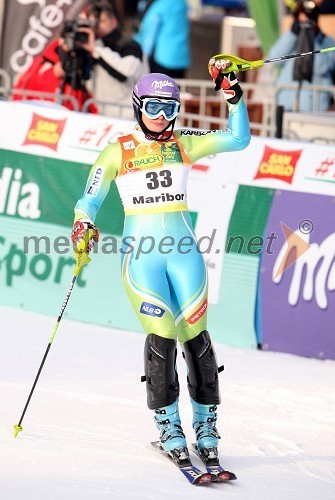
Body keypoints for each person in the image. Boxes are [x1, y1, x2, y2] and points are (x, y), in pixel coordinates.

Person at [71, 59, 250, 464]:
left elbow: (238, 140)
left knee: (197, 338)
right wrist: (83, 224)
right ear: (137, 107)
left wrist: (232, 94)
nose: (162, 117)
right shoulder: (118, 150)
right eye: (153, 108)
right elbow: (89, 198)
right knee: (163, 336)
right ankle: (168, 424)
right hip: (142, 260)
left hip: (185, 256)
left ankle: (206, 425)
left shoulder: (183, 141)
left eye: (170, 109)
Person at [11, 20, 98, 113]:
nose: (79, 41)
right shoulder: (44, 63)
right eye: (76, 37)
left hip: (73, 121)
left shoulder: (87, 63)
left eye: (83, 37)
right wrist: (56, 72)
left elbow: (94, 108)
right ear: (62, 40)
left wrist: (93, 49)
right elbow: (21, 95)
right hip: (42, 119)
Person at [269, 0, 335, 112]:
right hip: (286, 105)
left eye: (310, 19)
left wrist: (311, 39)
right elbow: (274, 59)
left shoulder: (327, 42)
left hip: (313, 108)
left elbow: (322, 68)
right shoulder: (292, 40)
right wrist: (292, 34)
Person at [87, 2, 145, 117]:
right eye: (92, 23)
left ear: (113, 22)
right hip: (98, 114)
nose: (97, 26)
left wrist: (96, 50)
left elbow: (126, 72)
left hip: (125, 115)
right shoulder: (91, 44)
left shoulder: (129, 44)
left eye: (101, 21)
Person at [134, 0, 190, 78]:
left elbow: (148, 31)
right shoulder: (182, 2)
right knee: (176, 88)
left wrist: (142, 54)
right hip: (181, 57)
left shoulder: (161, 4)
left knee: (159, 88)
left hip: (163, 58)